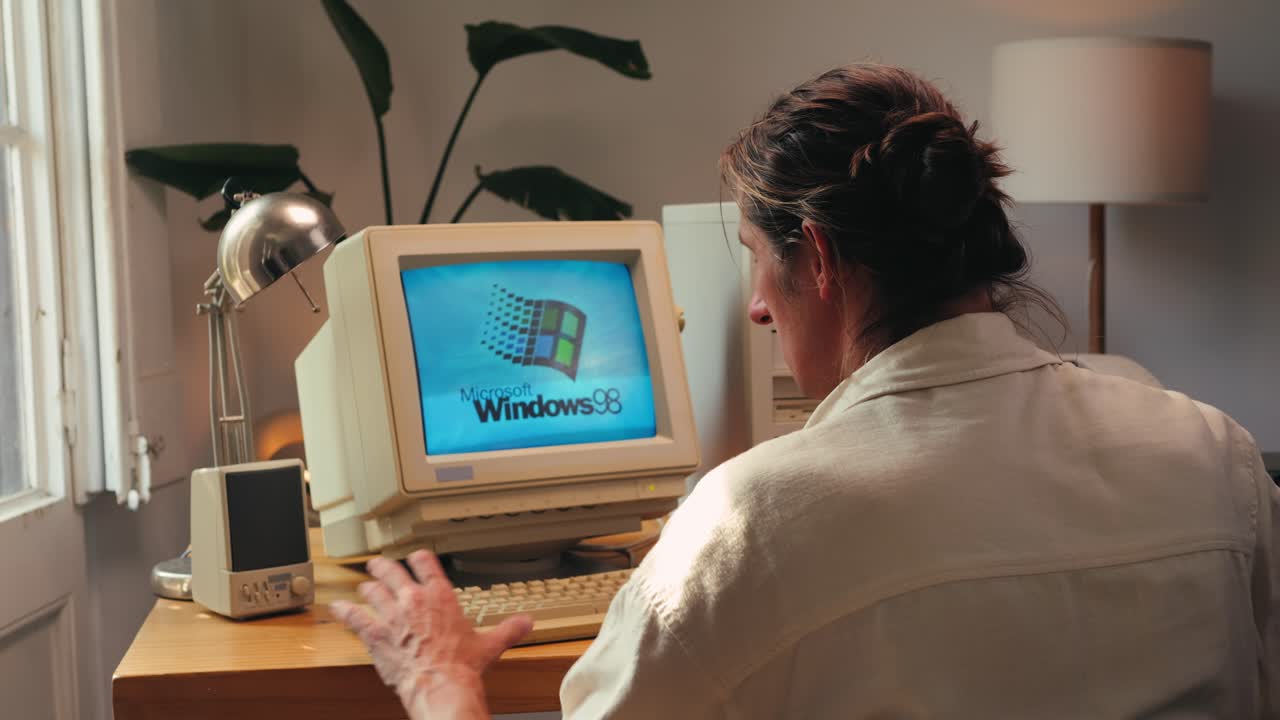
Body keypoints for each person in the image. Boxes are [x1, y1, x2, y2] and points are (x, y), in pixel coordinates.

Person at [332, 64, 1279, 718]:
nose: (752, 308)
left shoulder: (756, 519)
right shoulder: (1213, 450)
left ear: (817, 259)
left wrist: (441, 679)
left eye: (756, 260)